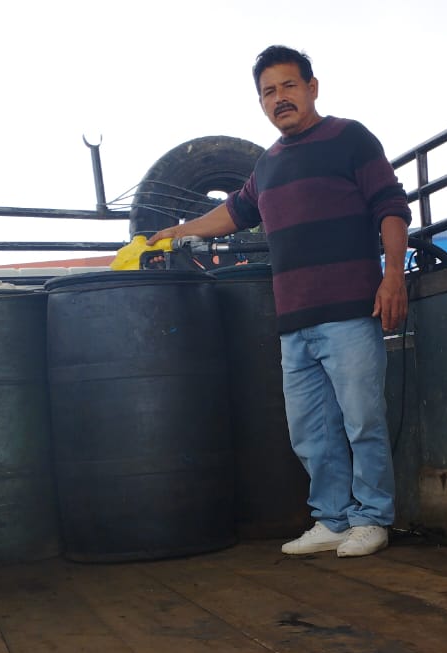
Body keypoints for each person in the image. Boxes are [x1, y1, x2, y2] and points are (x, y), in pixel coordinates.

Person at [150, 44, 410, 559]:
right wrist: (174, 231)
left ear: (312, 88)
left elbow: (391, 206)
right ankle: (332, 519)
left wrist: (394, 277)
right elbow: (232, 213)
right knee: (310, 431)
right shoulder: (266, 165)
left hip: (350, 311)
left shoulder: (351, 138)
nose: (279, 98)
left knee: (362, 421)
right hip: (294, 322)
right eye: (268, 91)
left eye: (289, 85)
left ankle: (372, 518)